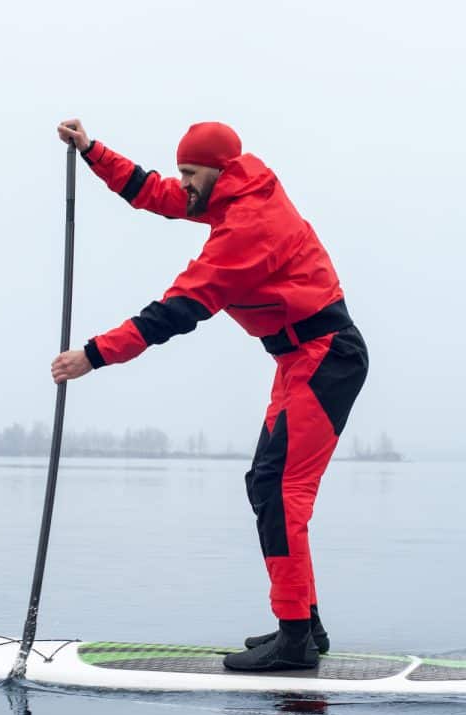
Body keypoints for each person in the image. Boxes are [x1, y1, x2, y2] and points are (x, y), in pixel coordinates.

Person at [51, 119, 368, 671]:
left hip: (326, 358)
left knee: (279, 489)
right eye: (182, 172)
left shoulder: (248, 227)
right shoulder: (232, 190)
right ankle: (305, 626)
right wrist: (91, 151)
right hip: (301, 360)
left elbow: (178, 309)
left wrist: (93, 355)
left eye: (191, 173)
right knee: (265, 485)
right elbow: (155, 193)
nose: (184, 185)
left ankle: (294, 640)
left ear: (219, 170)